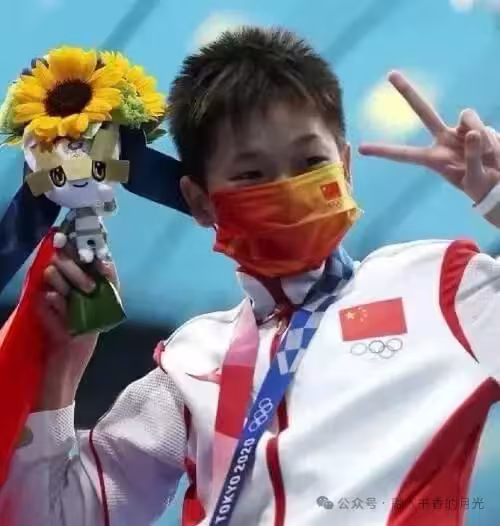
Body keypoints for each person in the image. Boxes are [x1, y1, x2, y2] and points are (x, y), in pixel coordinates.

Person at [2, 26, 500, 526]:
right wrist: (61, 367)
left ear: (345, 167)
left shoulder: (439, 290)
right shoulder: (191, 361)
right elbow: (51, 518)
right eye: (251, 175)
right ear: (200, 201)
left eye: (311, 162)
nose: (287, 188)